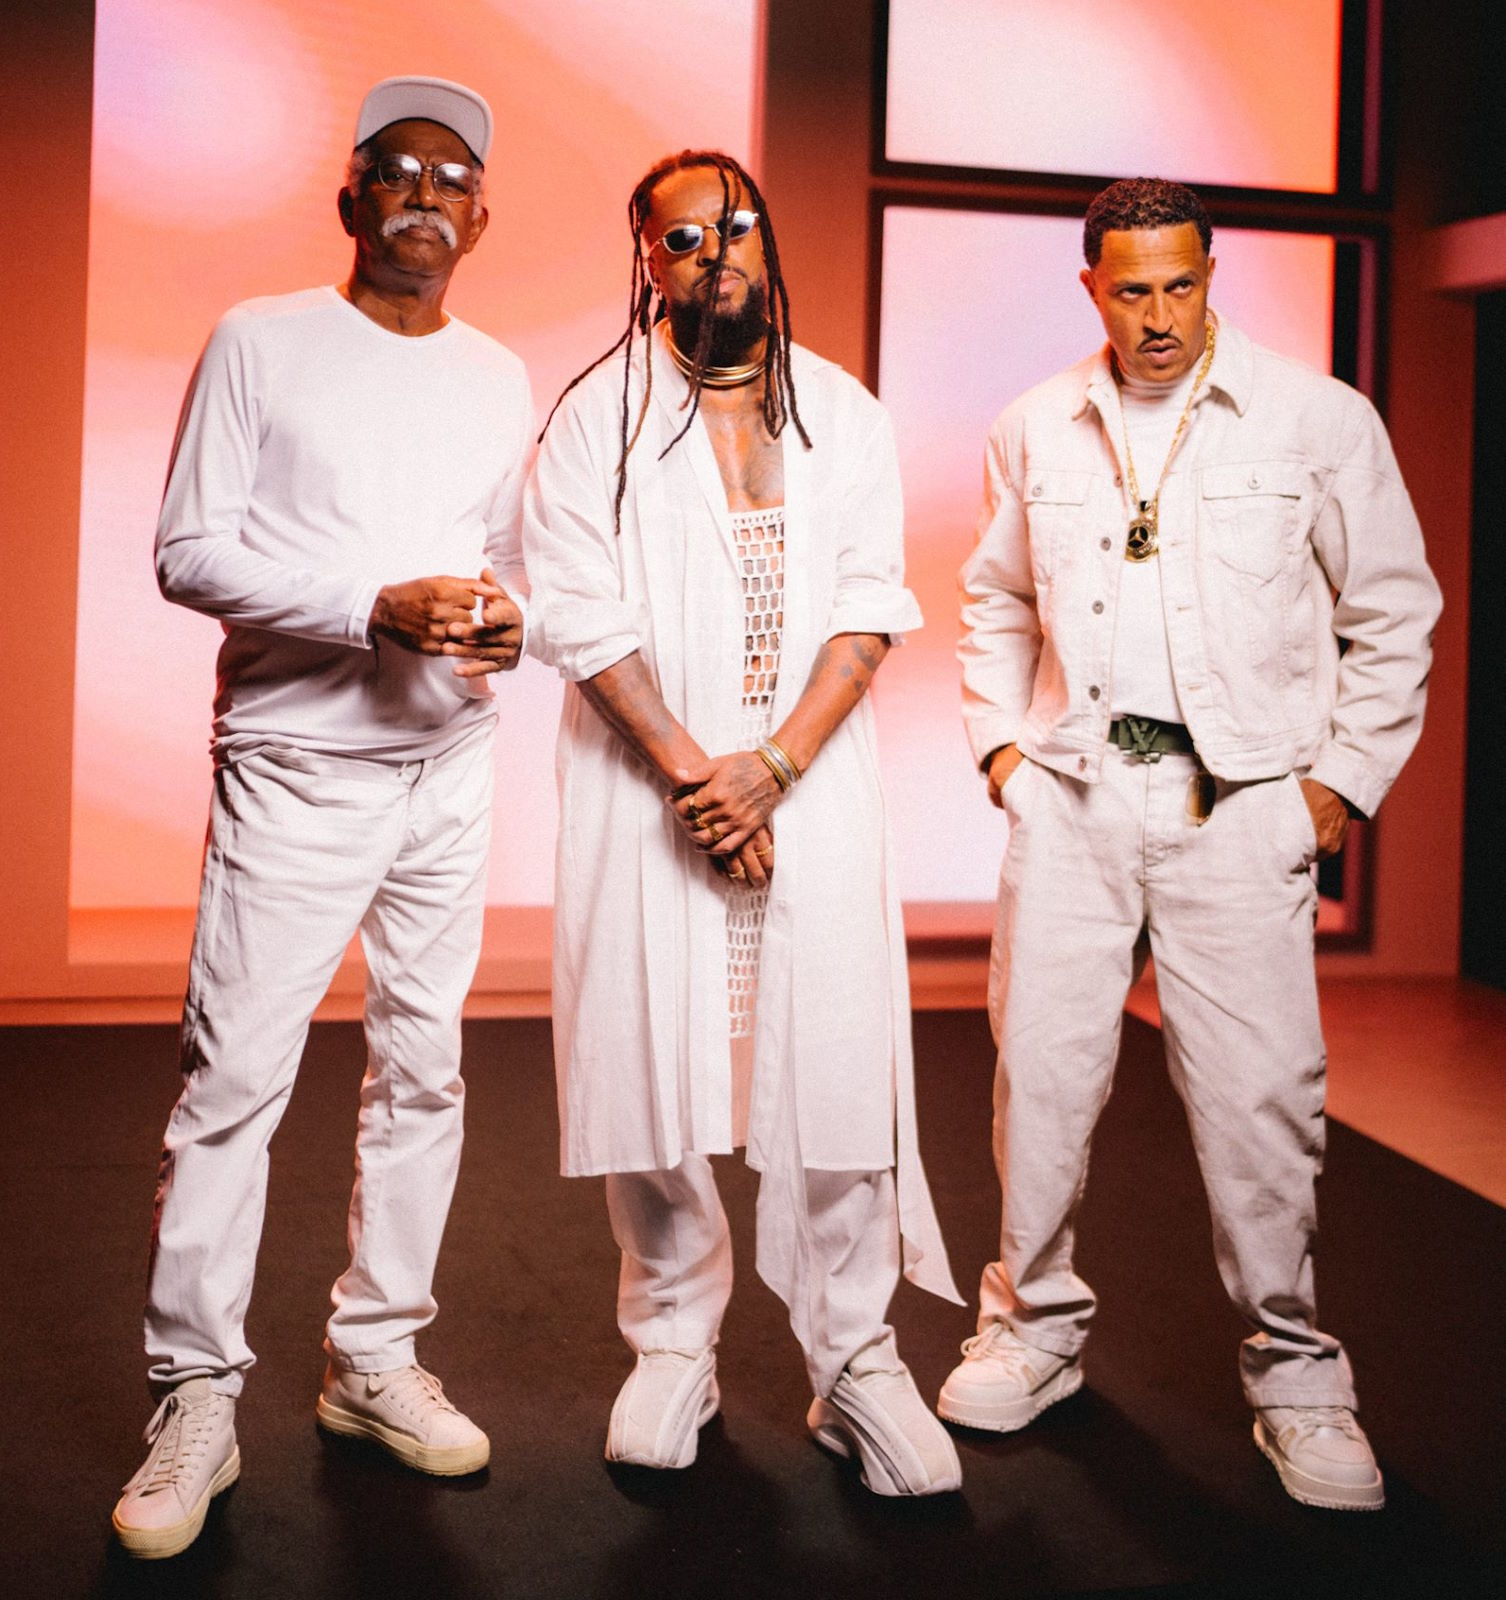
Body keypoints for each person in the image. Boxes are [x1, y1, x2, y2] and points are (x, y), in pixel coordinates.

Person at [942, 177, 1440, 1512]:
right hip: (1074, 796)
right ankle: (1030, 1328)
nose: (1157, 315)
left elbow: (1393, 613)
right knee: (1040, 1085)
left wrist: (1335, 788)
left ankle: (1297, 1378)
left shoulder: (1316, 419)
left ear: (1210, 273)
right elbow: (992, 598)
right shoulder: (1034, 424)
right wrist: (1002, 754)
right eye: (1130, 290)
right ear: (1091, 288)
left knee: (1262, 1104)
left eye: (1178, 284)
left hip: (1240, 804)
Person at [112, 76, 532, 1559]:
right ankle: (195, 1393)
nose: (423, 195)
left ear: (480, 219)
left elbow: (503, 558)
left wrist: (504, 623)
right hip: (296, 764)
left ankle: (374, 1357)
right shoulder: (262, 338)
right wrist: (369, 606)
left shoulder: (498, 373)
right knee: (236, 1083)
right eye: (395, 171)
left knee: (426, 1073)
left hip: (450, 766)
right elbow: (186, 551)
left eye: (451, 179)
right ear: (351, 199)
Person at [523, 150, 963, 1496]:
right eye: (681, 237)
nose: (714, 250)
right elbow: (576, 614)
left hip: (807, 784)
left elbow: (869, 608)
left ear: (767, 237)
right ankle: (672, 1340)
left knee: (832, 1055)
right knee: (651, 1056)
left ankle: (854, 1356)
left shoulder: (844, 411)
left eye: (736, 224)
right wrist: (695, 781)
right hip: (646, 783)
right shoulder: (595, 419)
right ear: (646, 264)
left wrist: (769, 769)